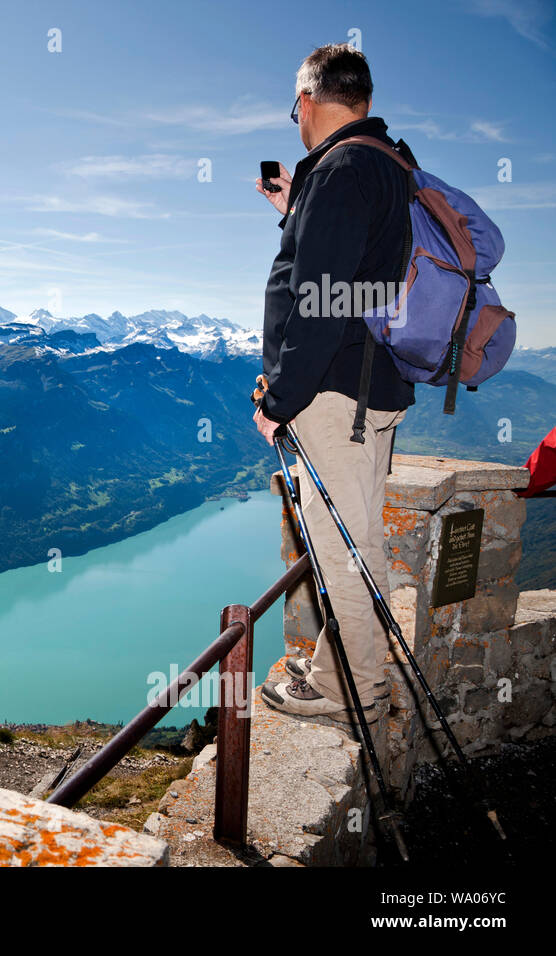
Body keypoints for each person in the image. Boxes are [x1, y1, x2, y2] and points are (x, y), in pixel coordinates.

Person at [252, 44, 415, 723]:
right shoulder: (384, 165)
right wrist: (297, 208)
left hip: (334, 396)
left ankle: (353, 690)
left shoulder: (344, 170)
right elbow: (360, 280)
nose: (297, 119)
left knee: (343, 546)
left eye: (296, 107)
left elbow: (319, 302)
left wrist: (279, 399)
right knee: (357, 538)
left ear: (309, 104)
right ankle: (341, 669)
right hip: (372, 387)